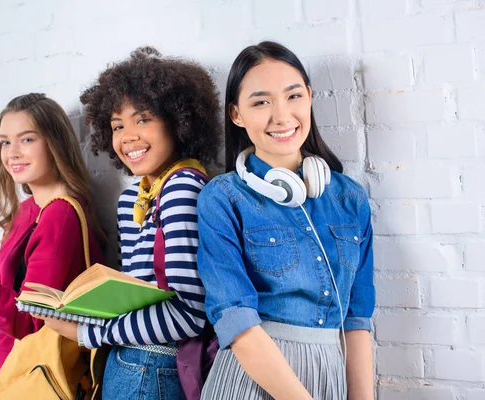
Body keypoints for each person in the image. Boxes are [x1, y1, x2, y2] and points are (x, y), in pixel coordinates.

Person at [37, 47, 222, 400]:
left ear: (178, 121)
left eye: (142, 119)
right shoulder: (135, 197)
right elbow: (137, 297)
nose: (127, 136)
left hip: (152, 367)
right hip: (129, 361)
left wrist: (87, 333)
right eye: (117, 125)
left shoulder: (181, 188)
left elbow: (189, 315)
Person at [196, 41, 375, 400]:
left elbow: (356, 322)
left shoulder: (350, 199)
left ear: (309, 96)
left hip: (329, 375)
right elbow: (237, 320)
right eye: (261, 102)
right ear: (236, 114)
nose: (281, 116)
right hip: (251, 378)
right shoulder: (222, 198)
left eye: (293, 96)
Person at [0, 93, 105, 377]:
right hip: (14, 372)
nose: (12, 153)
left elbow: (29, 323)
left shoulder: (60, 216)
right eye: (5, 142)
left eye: (27, 139)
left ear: (55, 143)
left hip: (38, 376)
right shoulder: (26, 211)